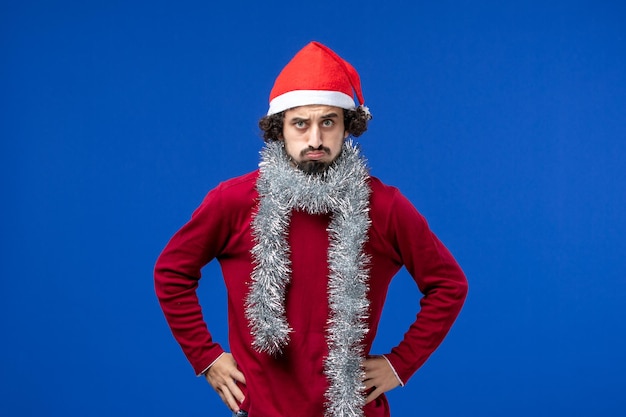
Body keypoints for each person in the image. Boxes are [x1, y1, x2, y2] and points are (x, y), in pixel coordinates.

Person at [154, 41, 468, 417]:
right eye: (300, 123)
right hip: (265, 408)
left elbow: (449, 284)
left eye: (328, 122)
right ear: (279, 128)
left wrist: (401, 364)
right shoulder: (234, 201)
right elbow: (171, 272)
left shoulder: (383, 207)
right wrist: (205, 356)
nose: (315, 140)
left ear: (347, 127)